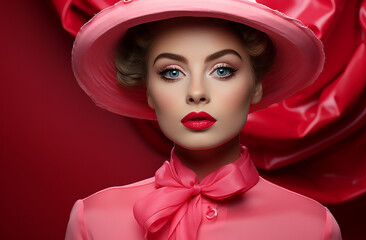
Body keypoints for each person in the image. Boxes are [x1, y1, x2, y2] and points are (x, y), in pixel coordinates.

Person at [66, 0, 341, 239]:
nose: (196, 93)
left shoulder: (313, 227)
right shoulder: (92, 219)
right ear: (149, 90)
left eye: (222, 70)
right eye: (172, 73)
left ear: (256, 85)